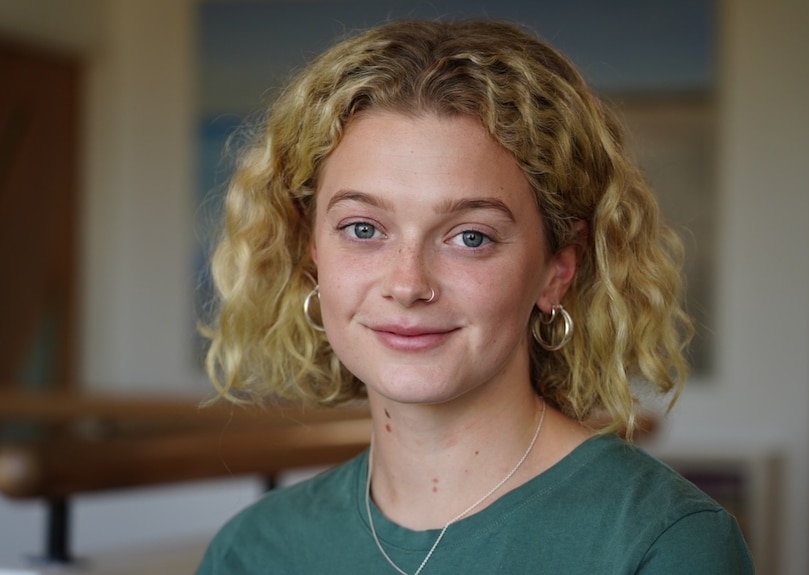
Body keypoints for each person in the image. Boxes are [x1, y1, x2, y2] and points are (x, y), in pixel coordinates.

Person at [196, 18, 754, 574]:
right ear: (311, 248)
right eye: (363, 229)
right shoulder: (253, 550)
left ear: (557, 269)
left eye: (470, 236)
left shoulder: (664, 543)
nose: (408, 284)